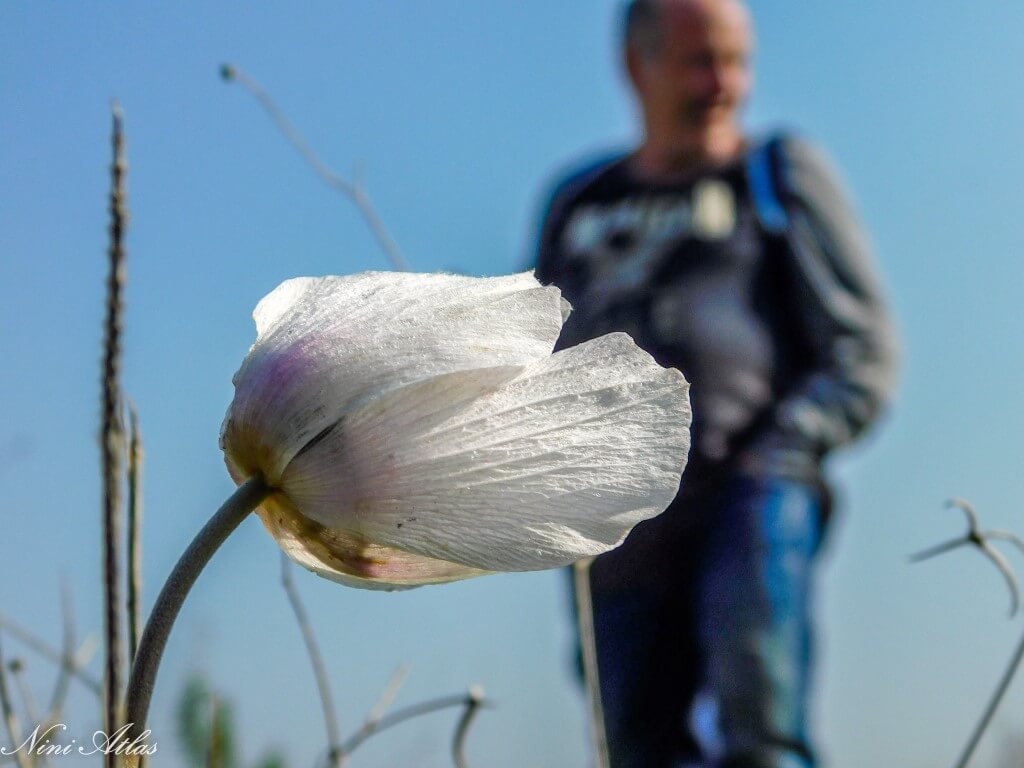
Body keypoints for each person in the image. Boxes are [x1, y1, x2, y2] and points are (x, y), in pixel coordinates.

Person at [532, 1, 898, 766]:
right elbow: (533, 361)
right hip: (617, 523)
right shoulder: (576, 202)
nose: (723, 84)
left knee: (760, 730)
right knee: (633, 744)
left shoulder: (775, 175)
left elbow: (862, 350)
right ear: (637, 66)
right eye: (700, 61)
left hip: (750, 493)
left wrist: (783, 452)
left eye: (737, 61)